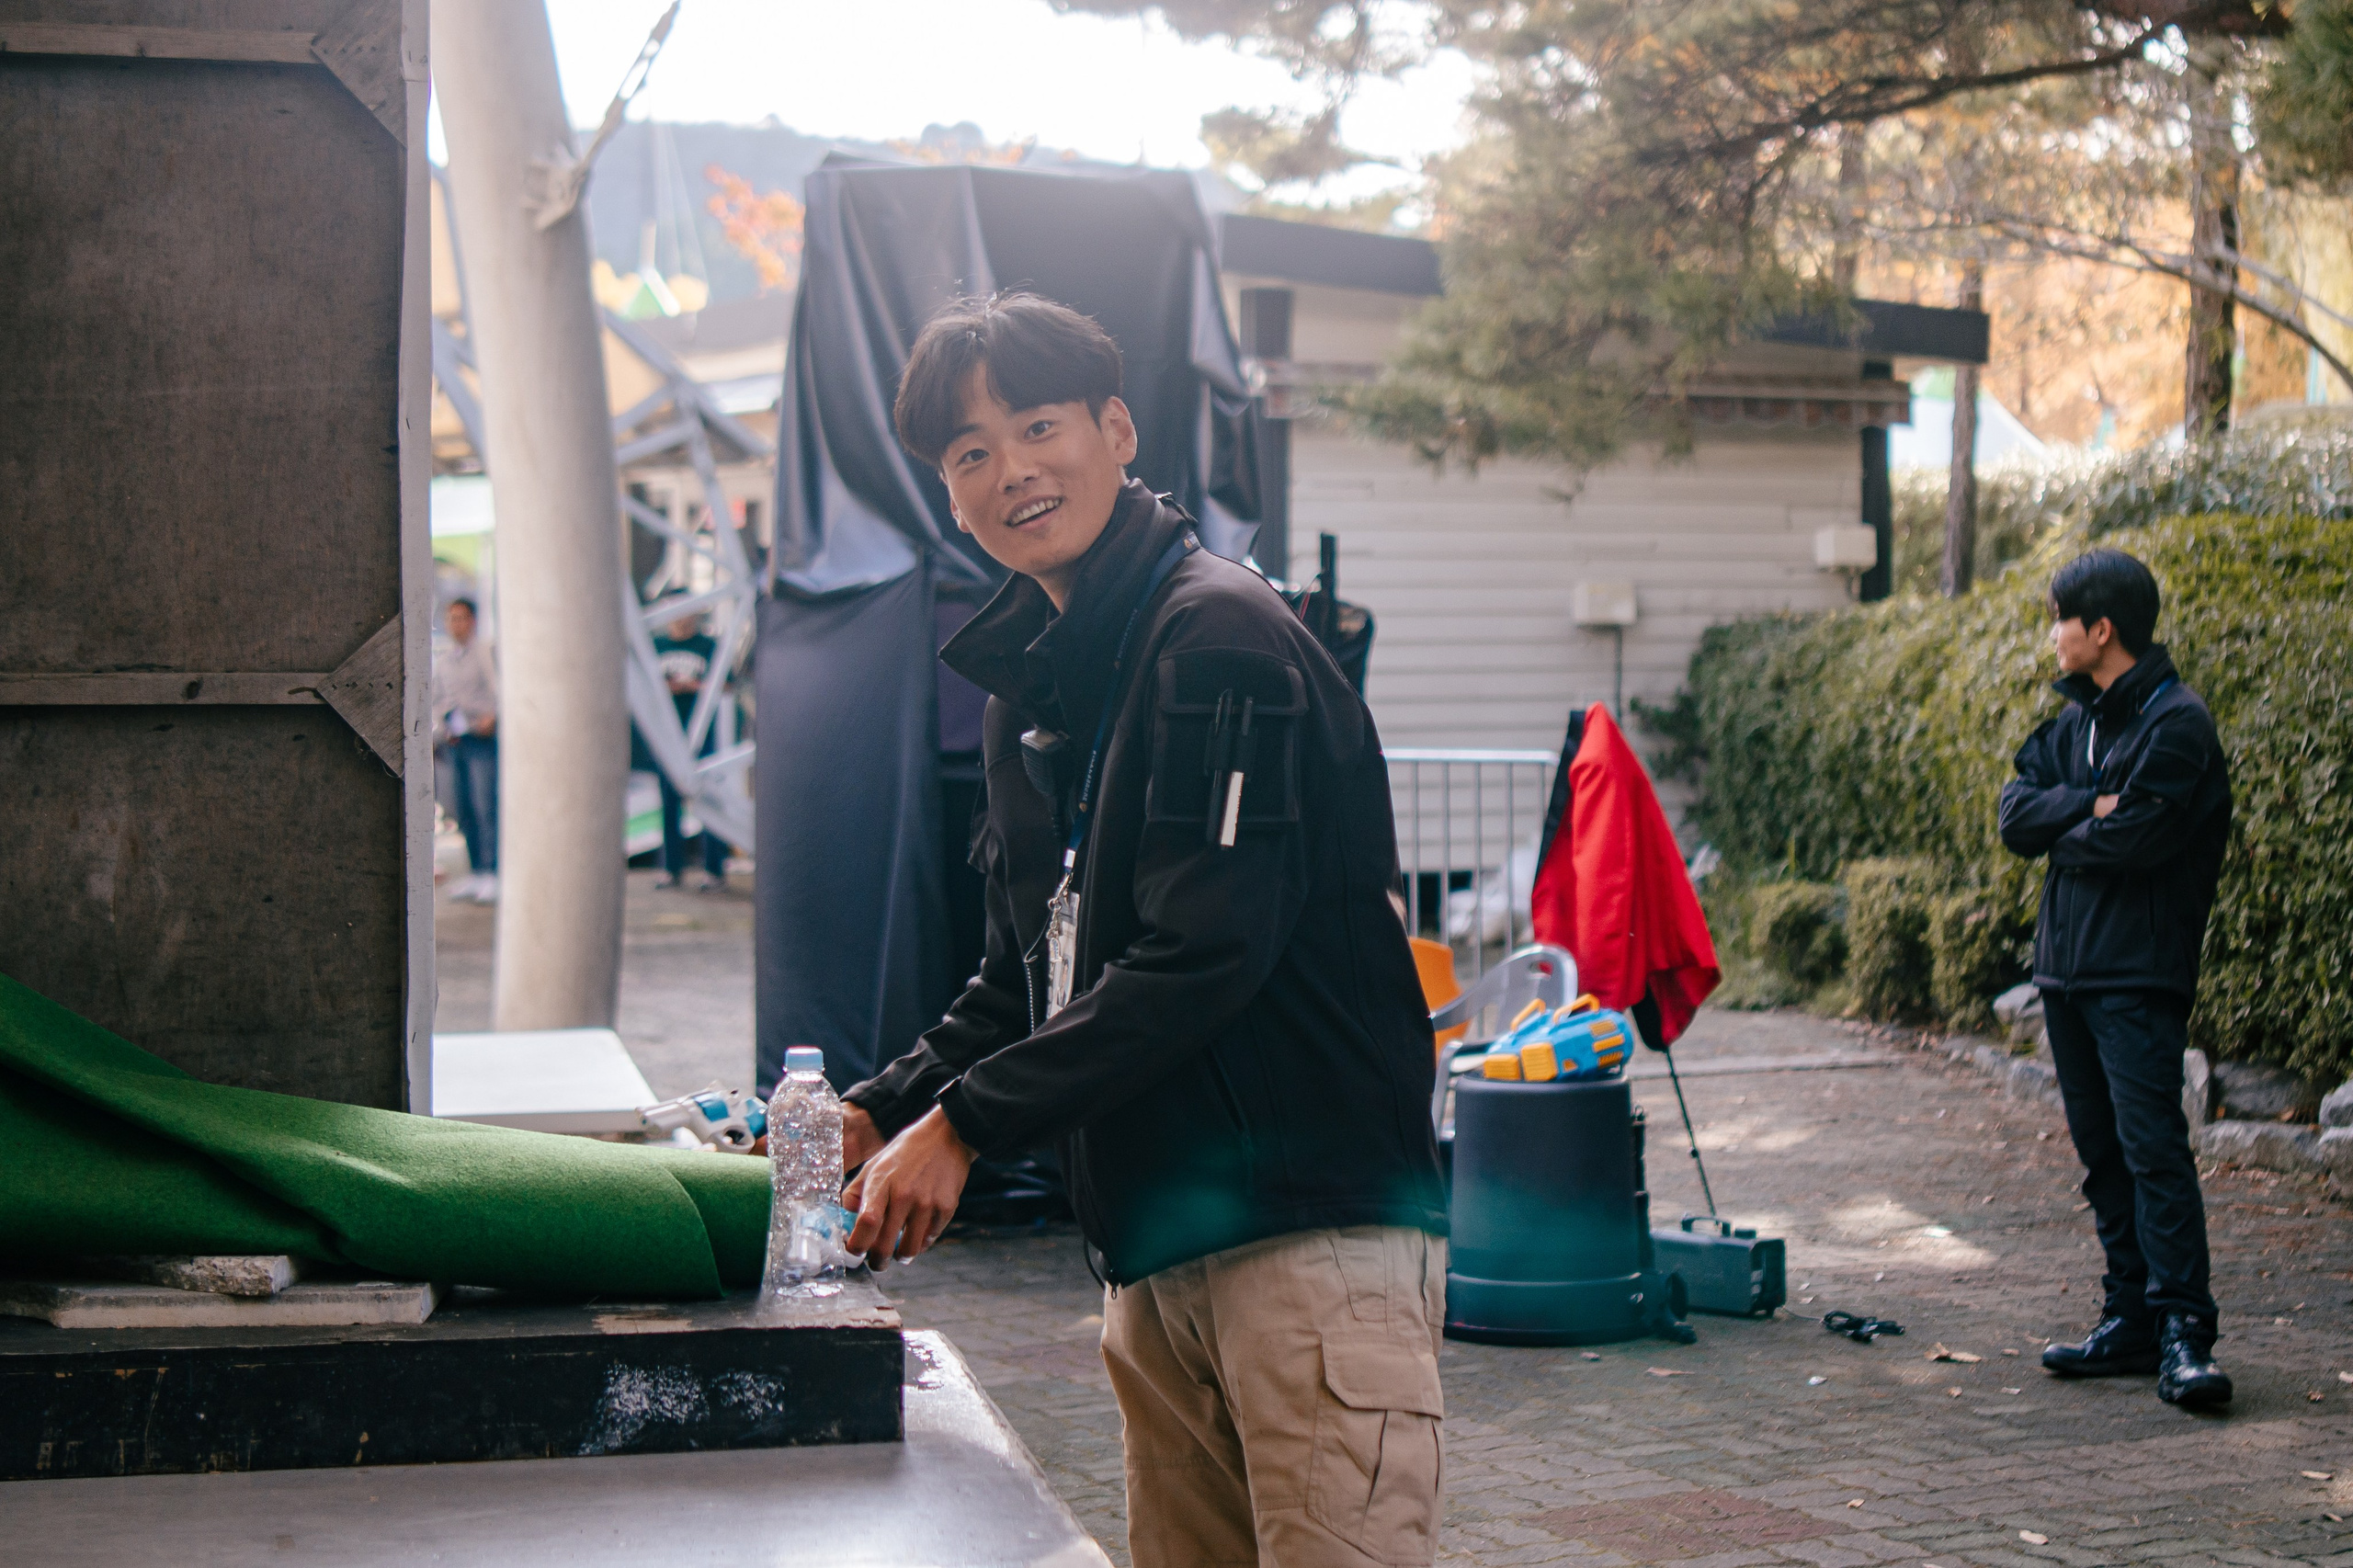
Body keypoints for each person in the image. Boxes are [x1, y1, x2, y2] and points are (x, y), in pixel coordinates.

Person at [836, 293, 1449, 1567]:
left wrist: (969, 1123)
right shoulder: (1039, 684)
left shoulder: (1219, 636)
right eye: (968, 452)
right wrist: (885, 1102)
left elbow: (1203, 950)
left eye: (1039, 424)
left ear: (1116, 429)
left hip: (1303, 1231)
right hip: (1151, 1248)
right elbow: (1027, 972)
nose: (1011, 469)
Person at [1998, 548, 2234, 1410]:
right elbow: (2013, 814)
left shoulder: (2177, 724)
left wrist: (2077, 823)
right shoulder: (2074, 726)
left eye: (2060, 618)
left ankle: (2184, 1334)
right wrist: (2087, 806)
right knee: (2104, 1159)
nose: (2052, 635)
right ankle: (2129, 1321)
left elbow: (2137, 842)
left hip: (2137, 973)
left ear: (2102, 630)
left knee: (2152, 1153)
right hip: (2065, 973)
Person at [652, 606, 732, 892]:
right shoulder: (657, 646)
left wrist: (695, 686)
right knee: (669, 802)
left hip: (702, 735)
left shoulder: (708, 646)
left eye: (687, 612)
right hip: (669, 736)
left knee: (709, 799)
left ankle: (714, 869)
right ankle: (670, 869)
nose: (682, 619)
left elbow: (728, 684)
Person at [432, 597, 498, 904]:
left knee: (485, 805)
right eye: (451, 618)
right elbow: (438, 697)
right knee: (463, 807)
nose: (456, 624)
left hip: (481, 739)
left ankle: (493, 871)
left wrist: (492, 716)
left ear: (472, 621)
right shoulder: (445, 659)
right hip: (455, 740)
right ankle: (475, 871)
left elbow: (501, 689)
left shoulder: (485, 653)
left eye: (461, 618)